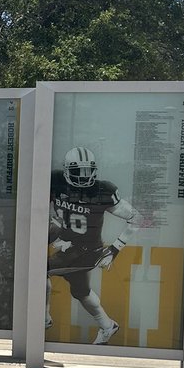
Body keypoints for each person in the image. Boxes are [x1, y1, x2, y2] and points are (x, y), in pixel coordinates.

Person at [46, 146, 137, 345]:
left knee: (40, 272)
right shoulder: (57, 181)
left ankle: (44, 320)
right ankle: (107, 325)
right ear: (67, 170)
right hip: (69, 245)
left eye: (88, 171)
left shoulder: (102, 191)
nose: (83, 177)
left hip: (86, 250)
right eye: (78, 171)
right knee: (81, 292)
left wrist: (114, 249)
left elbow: (136, 218)